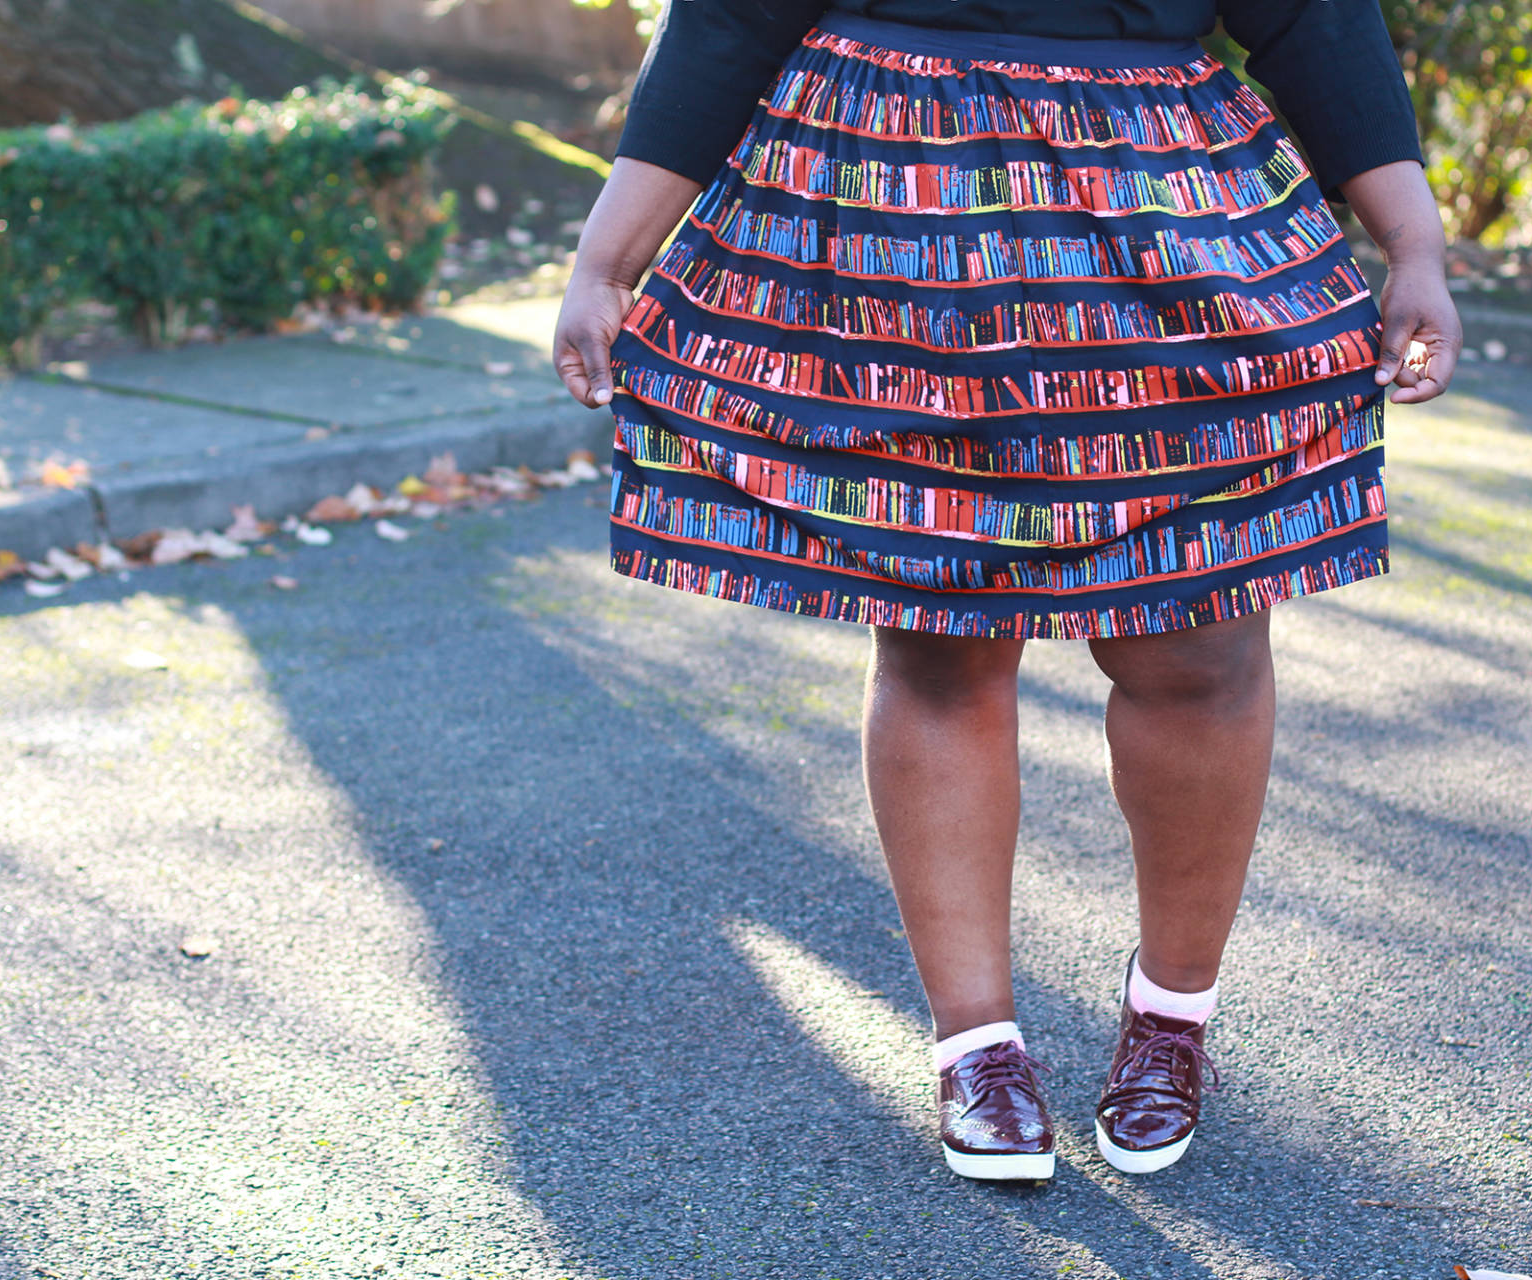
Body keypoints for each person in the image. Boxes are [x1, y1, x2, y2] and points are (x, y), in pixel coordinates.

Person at [553, 0, 1459, 1181]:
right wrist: (604, 260)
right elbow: (734, 12)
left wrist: (1416, 246)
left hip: (1168, 213)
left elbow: (1309, 12)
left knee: (1198, 649)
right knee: (938, 644)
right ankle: (976, 1044)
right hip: (892, 204)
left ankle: (1172, 1021)